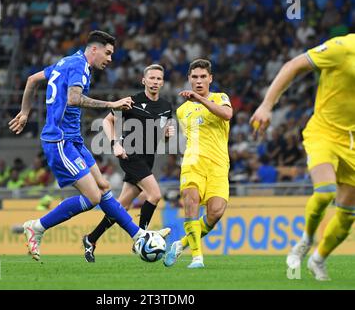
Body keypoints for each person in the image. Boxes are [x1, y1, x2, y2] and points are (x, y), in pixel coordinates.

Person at [8, 30, 169, 261]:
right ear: (94, 49)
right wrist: (111, 103)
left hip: (73, 139)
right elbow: (74, 99)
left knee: (103, 186)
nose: (110, 58)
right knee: (93, 197)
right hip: (60, 141)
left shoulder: (66, 62)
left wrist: (25, 113)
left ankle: (138, 235)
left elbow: (32, 80)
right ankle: (37, 226)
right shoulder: (78, 66)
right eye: (108, 52)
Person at [250, 34, 355, 281]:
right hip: (324, 133)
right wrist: (266, 105)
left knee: (348, 213)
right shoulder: (342, 48)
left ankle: (318, 259)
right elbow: (293, 65)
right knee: (326, 191)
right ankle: (307, 238)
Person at [82, 64, 174, 262]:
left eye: (159, 79)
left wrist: (167, 136)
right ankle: (141, 238)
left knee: (121, 207)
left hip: (148, 159)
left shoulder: (167, 107)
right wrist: (115, 144)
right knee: (155, 194)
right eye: (152, 78)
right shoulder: (133, 101)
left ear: (162, 82)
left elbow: (160, 136)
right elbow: (107, 121)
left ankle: (91, 239)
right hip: (130, 155)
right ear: (144, 81)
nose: (155, 82)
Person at [164, 59, 233, 268]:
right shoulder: (182, 110)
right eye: (195, 77)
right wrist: (167, 135)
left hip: (219, 164)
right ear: (189, 79)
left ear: (210, 78)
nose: (199, 81)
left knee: (215, 213)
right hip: (193, 162)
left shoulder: (221, 98)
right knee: (191, 201)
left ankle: (180, 244)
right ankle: (197, 258)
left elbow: (227, 114)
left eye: (203, 77)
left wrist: (199, 99)